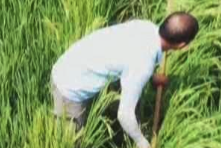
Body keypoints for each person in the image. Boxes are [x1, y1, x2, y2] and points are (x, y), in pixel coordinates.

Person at [50, 12, 198, 148]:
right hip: (69, 87)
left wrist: (152, 77)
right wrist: (142, 142)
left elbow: (129, 56)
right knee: (71, 142)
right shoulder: (142, 64)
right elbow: (124, 114)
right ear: (181, 45)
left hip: (75, 62)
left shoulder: (145, 27)